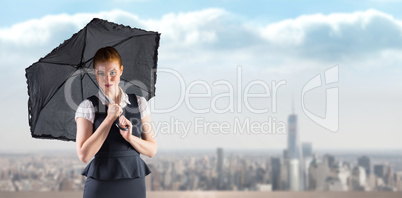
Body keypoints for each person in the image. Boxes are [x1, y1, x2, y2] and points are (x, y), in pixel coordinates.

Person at [75, 46, 157, 198]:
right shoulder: (87, 106)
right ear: (95, 74)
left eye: (112, 72)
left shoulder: (139, 103)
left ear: (121, 70)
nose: (107, 79)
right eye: (101, 73)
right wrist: (109, 119)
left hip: (134, 182)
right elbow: (84, 155)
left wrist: (130, 138)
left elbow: (151, 150)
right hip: (101, 184)